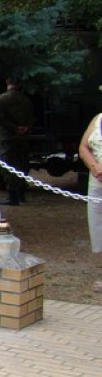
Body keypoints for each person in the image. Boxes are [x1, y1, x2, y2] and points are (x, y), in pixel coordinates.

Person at [0, 77, 35, 206]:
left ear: (7, 83)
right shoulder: (26, 100)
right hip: (23, 137)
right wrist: (26, 128)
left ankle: (13, 196)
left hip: (8, 137)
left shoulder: (1, 99)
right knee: (22, 163)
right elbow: (32, 117)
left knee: (7, 165)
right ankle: (21, 193)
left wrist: (14, 128)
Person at [79, 111, 102, 292]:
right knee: (98, 227)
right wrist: (95, 166)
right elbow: (84, 147)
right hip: (96, 183)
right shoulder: (98, 118)